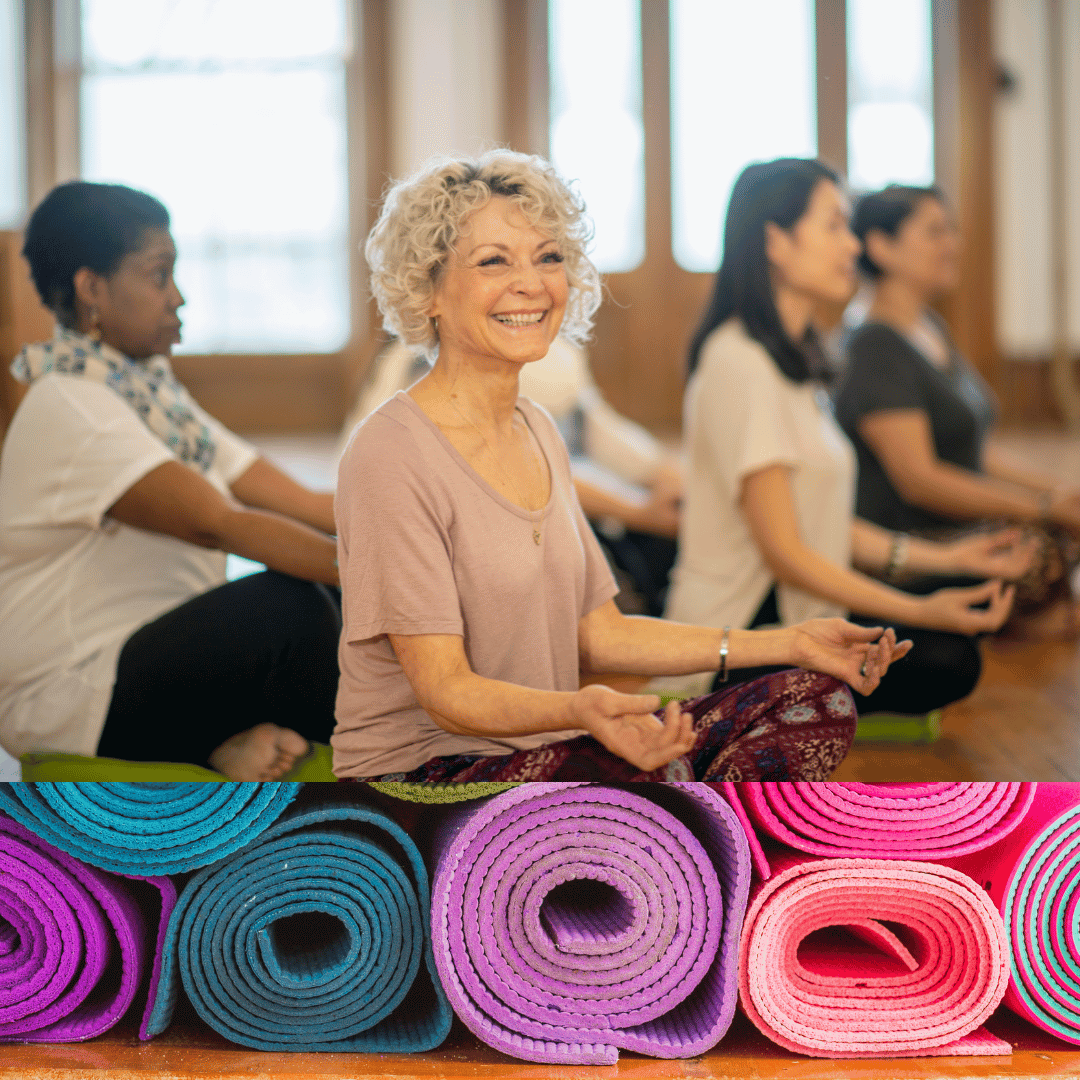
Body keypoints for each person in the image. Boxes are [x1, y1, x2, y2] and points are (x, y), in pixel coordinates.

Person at [333, 149, 910, 783]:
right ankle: (666, 818)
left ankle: (660, 817)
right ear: (429, 287)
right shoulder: (389, 452)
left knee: (812, 696)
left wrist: (790, 644)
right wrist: (583, 709)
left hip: (549, 752)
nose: (531, 283)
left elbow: (601, 635)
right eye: (494, 261)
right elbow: (446, 690)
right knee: (651, 780)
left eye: (549, 257)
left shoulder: (538, 429)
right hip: (430, 776)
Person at [665, 159, 1034, 717]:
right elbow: (787, 554)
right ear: (776, 240)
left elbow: (823, 524)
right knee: (946, 654)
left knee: (960, 625)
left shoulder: (800, 356)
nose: (851, 246)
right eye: (834, 226)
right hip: (743, 635)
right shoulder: (739, 361)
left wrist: (944, 557)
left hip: (802, 617)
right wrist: (922, 605)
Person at [0, 181, 340, 779]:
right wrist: (393, 582)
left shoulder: (155, 397)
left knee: (329, 592)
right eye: (159, 276)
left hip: (149, 657)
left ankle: (223, 744)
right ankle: (407, 770)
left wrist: (439, 533)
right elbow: (219, 525)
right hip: (72, 691)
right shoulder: (72, 406)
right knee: (294, 608)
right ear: (91, 288)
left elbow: (305, 503)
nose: (178, 298)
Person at [837, 184, 1080, 638]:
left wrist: (1059, 492)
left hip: (954, 523)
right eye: (934, 231)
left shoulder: (927, 327)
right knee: (1039, 548)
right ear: (881, 246)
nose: (952, 243)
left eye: (952, 229)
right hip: (904, 542)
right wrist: (1042, 509)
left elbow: (973, 452)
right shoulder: (874, 346)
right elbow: (920, 479)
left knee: (1064, 520)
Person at [341, 334, 681, 616]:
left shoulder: (555, 358)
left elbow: (608, 437)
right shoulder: (429, 368)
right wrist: (639, 514)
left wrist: (666, 478)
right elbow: (515, 474)